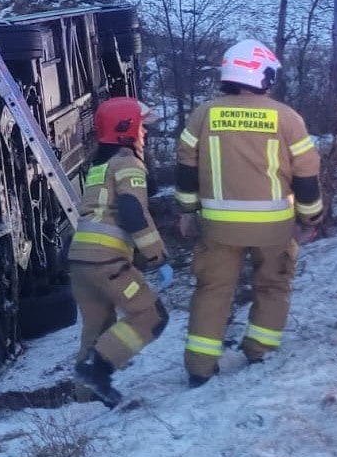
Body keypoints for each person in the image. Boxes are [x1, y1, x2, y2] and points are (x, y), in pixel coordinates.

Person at [175, 39, 323, 387]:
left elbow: (185, 166)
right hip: (274, 228)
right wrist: (310, 219)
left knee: (212, 290)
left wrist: (185, 211)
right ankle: (259, 350)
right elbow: (306, 175)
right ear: (263, 75)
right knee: (272, 286)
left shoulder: (203, 114)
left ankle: (199, 367)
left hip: (217, 227)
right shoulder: (287, 118)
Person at [68, 98, 171, 408]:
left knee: (97, 328)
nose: (145, 134)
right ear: (126, 130)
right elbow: (132, 210)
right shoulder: (128, 162)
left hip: (81, 261)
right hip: (107, 261)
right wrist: (158, 257)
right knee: (152, 316)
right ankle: (96, 370)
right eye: (141, 127)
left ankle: (85, 401)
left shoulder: (99, 166)